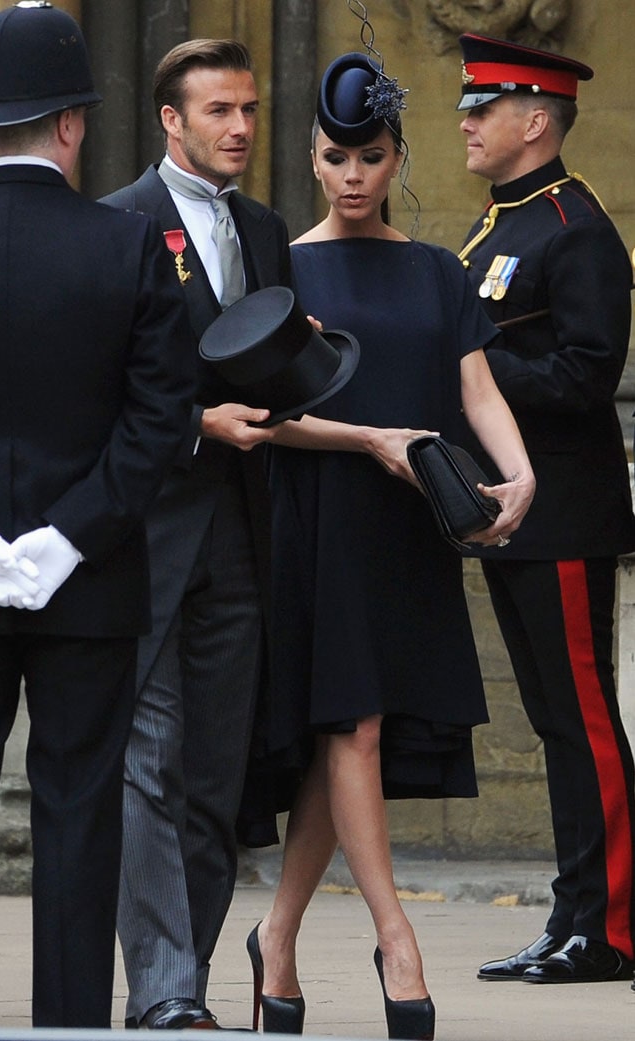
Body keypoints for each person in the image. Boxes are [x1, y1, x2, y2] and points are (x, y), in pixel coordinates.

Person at [243, 51, 535, 1041]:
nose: (354, 173)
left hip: (409, 531)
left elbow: (476, 391)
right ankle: (395, 936)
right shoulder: (281, 266)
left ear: (395, 157)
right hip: (319, 519)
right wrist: (370, 440)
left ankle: (274, 939)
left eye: (371, 155)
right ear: (314, 163)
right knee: (353, 728)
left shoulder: (436, 270)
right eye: (336, 157)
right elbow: (258, 416)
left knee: (349, 739)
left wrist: (519, 471)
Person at [0, 3, 195, 1028]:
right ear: (72, 123)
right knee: (80, 814)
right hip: (88, 584)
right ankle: (72, 1026)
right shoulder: (129, 248)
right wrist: (66, 538)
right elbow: (161, 422)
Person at [100, 39, 291, 1030]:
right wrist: (192, 424)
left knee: (217, 778)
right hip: (148, 540)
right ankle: (167, 990)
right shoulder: (117, 226)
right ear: (170, 120)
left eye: (250, 109)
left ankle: (184, 982)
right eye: (220, 110)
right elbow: (90, 392)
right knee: (150, 767)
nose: (241, 128)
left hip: (244, 541)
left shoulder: (264, 229)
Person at [455, 33, 635, 985]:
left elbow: (586, 373)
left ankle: (610, 925)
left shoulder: (576, 227)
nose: (467, 124)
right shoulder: (498, 226)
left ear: (536, 121)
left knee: (583, 719)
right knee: (555, 719)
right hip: (516, 512)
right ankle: (574, 915)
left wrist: (477, 371)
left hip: (565, 508)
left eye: (483, 110)